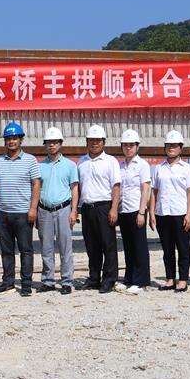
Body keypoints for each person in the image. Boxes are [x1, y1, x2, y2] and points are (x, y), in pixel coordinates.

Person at [0, 121, 41, 297]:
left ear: (20, 140)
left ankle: (26, 284)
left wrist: (33, 209)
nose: (11, 141)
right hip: (3, 214)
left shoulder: (30, 160)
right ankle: (8, 283)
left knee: (26, 250)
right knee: (6, 251)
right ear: (5, 141)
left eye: (15, 138)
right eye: (8, 138)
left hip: (23, 214)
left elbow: (36, 185)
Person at [77, 124, 121, 293]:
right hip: (87, 208)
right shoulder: (82, 162)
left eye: (98, 140)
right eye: (91, 140)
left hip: (104, 207)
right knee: (91, 246)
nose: (94, 143)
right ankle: (94, 278)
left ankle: (109, 280)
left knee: (108, 245)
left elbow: (116, 187)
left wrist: (114, 209)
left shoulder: (110, 161)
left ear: (104, 142)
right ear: (87, 142)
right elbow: (78, 187)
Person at [150, 130, 190, 292]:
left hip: (180, 213)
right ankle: (170, 279)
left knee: (183, 248)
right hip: (162, 213)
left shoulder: (187, 168)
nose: (171, 148)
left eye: (174, 145)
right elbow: (154, 192)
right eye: (168, 145)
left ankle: (183, 280)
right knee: (167, 249)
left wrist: (189, 214)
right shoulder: (158, 168)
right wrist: (151, 213)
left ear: (180, 148)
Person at [35, 126, 78, 295]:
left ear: (60, 144)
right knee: (46, 247)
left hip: (63, 209)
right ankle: (48, 281)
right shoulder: (39, 166)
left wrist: (74, 211)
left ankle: (66, 281)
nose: (51, 145)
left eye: (55, 142)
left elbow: (74, 189)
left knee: (65, 247)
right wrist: (35, 210)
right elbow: (36, 189)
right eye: (48, 142)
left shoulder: (70, 165)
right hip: (44, 210)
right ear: (45, 145)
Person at [117, 129, 152, 294]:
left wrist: (142, 212)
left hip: (136, 209)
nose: (128, 148)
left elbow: (145, 189)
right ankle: (129, 278)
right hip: (124, 210)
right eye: (125, 145)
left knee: (139, 246)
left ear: (137, 146)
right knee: (128, 246)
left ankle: (141, 281)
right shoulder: (120, 166)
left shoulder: (142, 165)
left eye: (131, 145)